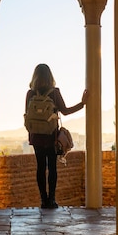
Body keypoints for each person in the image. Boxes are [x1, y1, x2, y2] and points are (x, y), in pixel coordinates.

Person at [26, 63, 88, 209]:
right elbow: (65, 111)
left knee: (40, 167)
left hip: (36, 137)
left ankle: (43, 200)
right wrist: (82, 103)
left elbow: (27, 116)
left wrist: (32, 134)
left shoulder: (30, 94)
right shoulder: (54, 93)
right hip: (50, 136)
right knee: (52, 167)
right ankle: (51, 200)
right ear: (50, 76)